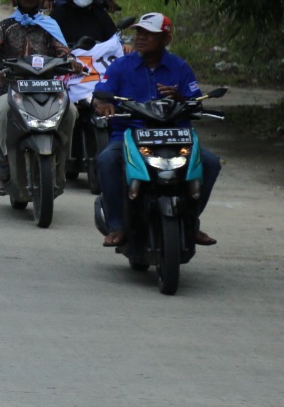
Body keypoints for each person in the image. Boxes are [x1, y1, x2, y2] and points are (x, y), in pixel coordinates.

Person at [93, 14, 220, 247]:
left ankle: (191, 222)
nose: (140, 38)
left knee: (210, 163)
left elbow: (195, 101)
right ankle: (117, 225)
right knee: (107, 161)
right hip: (130, 135)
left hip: (176, 137)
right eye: (139, 33)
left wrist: (180, 97)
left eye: (148, 34)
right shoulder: (122, 65)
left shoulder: (180, 67)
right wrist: (103, 105)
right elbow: (101, 93)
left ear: (165, 38)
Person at [0, 0, 75, 192]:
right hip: (12, 88)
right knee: (2, 111)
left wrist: (71, 60)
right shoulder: (5, 26)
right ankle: (2, 159)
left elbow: (63, 50)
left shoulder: (49, 25)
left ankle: (63, 158)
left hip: (48, 88)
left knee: (72, 111)